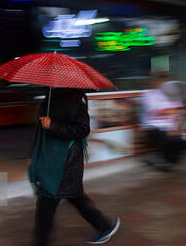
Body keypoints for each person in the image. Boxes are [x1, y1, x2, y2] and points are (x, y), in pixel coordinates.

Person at [29, 88, 120, 246]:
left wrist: (53, 125)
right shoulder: (50, 97)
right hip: (50, 157)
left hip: (66, 160)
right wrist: (33, 154)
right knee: (74, 197)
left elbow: (83, 129)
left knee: (47, 202)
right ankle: (104, 225)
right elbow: (41, 131)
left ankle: (41, 242)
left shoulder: (77, 101)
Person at [141, 72, 185, 171]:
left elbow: (180, 108)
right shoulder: (149, 94)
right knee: (168, 137)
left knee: (179, 139)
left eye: (164, 80)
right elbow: (155, 111)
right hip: (154, 126)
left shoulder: (171, 93)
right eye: (159, 80)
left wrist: (179, 123)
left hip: (171, 124)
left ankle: (168, 160)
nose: (162, 82)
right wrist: (172, 111)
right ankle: (165, 161)